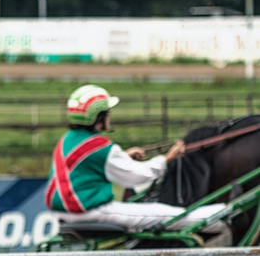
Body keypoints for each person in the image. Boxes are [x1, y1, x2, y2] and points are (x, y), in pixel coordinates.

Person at [46, 84, 222, 233]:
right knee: (166, 214)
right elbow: (137, 176)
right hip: (91, 211)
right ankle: (224, 216)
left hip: (65, 212)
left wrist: (124, 156)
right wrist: (167, 159)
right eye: (107, 112)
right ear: (98, 116)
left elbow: (89, 164)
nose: (109, 116)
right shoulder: (99, 146)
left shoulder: (67, 140)